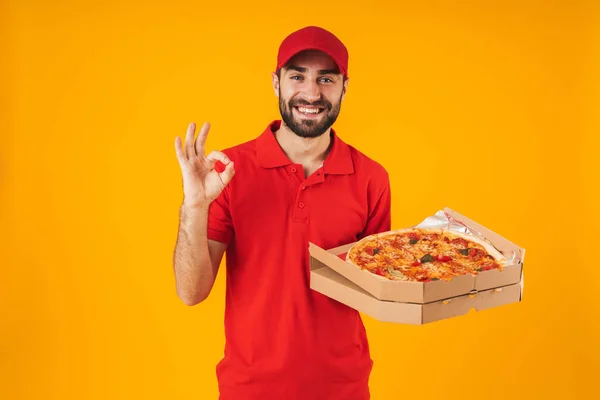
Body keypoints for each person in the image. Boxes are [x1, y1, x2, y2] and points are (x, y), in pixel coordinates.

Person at [173, 26, 392, 400]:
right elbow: (190, 293)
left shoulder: (372, 178)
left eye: (326, 78)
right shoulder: (228, 170)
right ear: (275, 83)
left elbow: (376, 292)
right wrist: (194, 206)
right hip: (248, 390)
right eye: (297, 77)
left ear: (344, 87)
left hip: (343, 389)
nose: (311, 93)